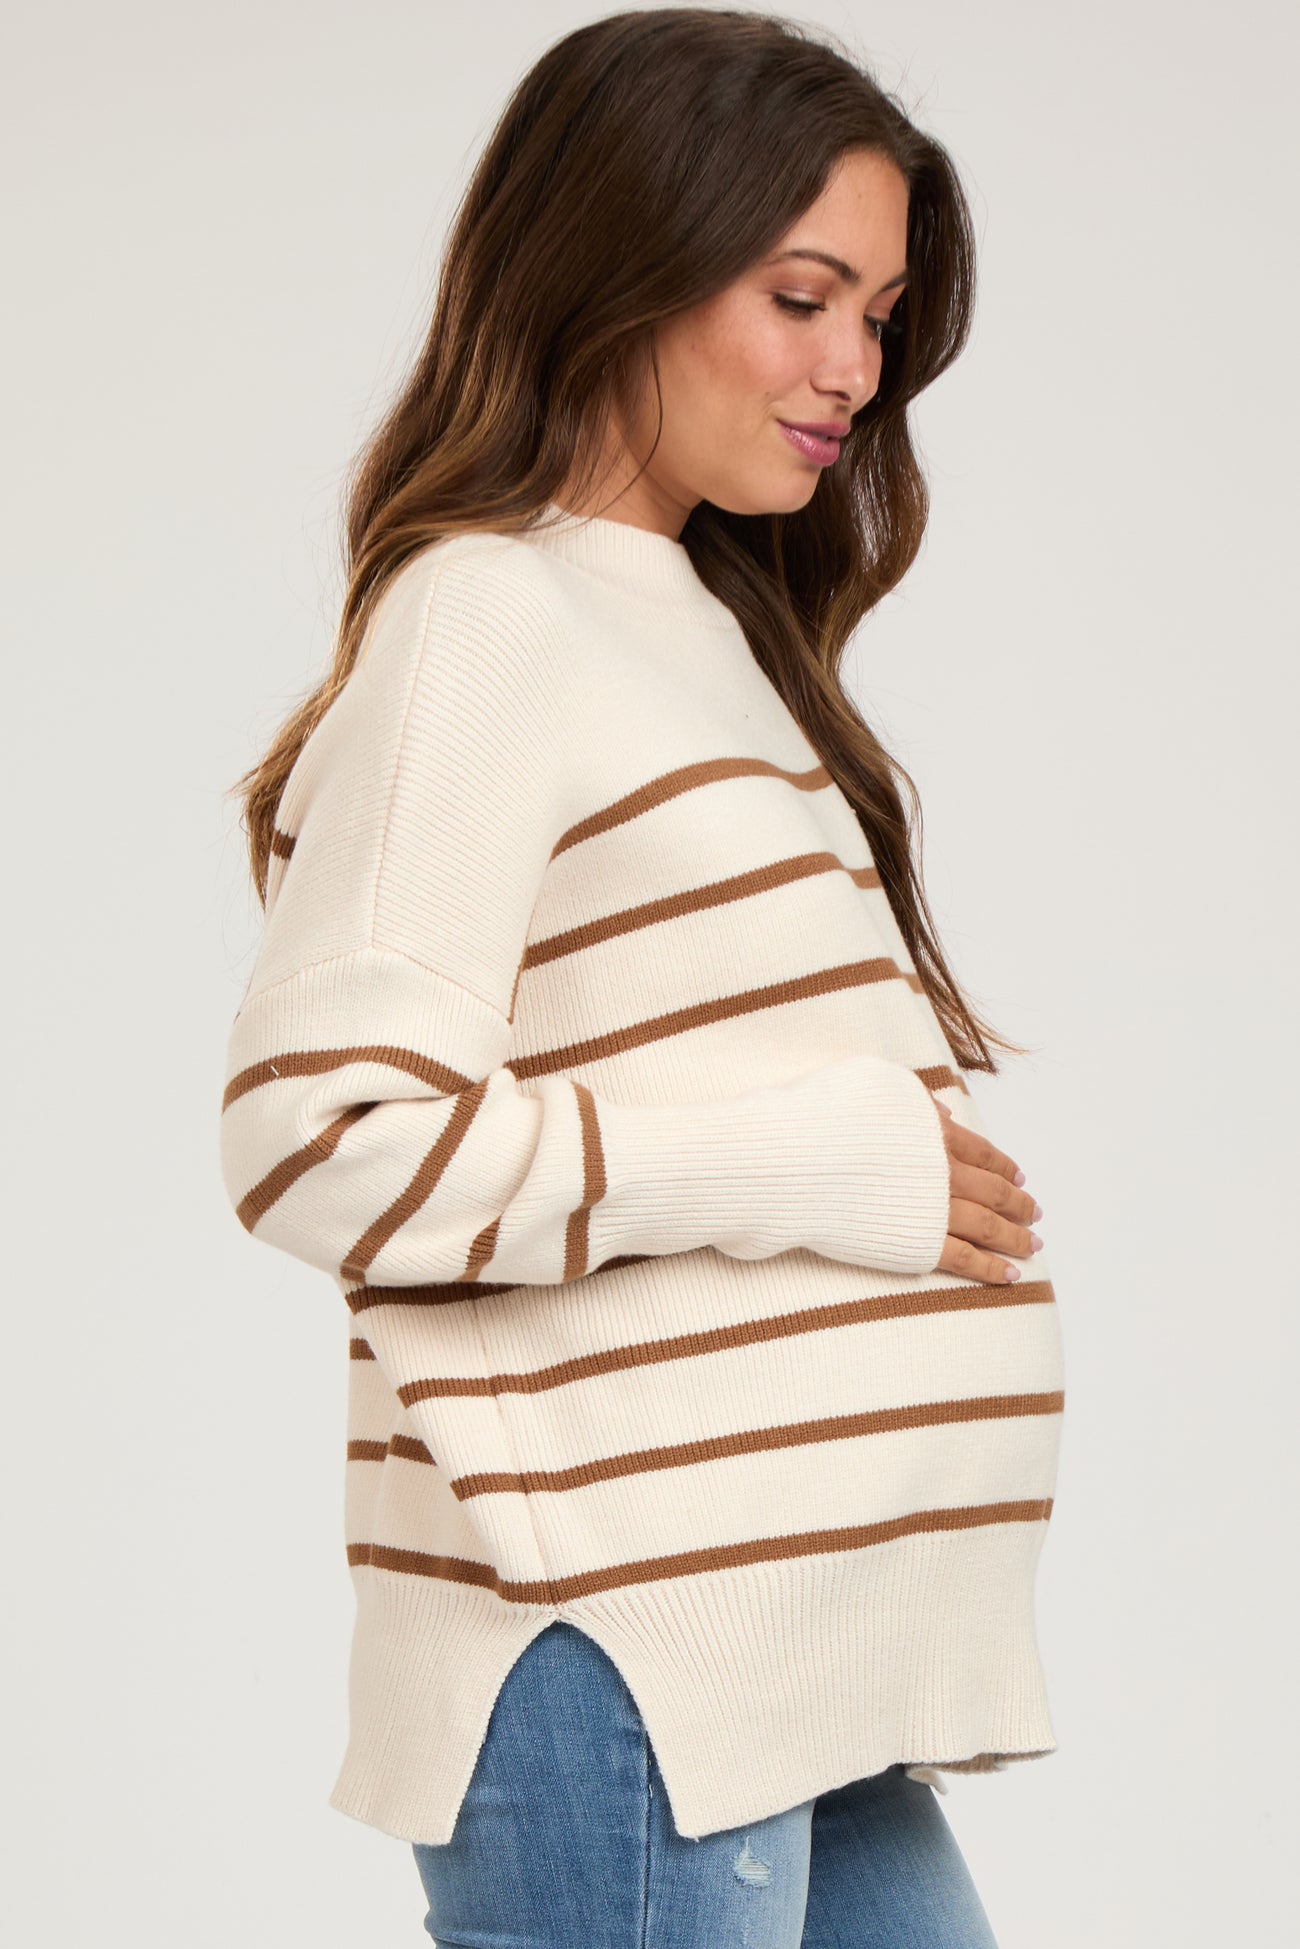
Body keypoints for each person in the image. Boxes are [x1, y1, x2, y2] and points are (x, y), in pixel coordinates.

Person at [219, 8, 1065, 1944]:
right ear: (623, 262)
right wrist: (816, 1166)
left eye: (880, 317)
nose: (853, 370)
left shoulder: (698, 627)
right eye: (802, 298)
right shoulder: (486, 615)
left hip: (782, 1644)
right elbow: (318, 1138)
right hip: (619, 1644)